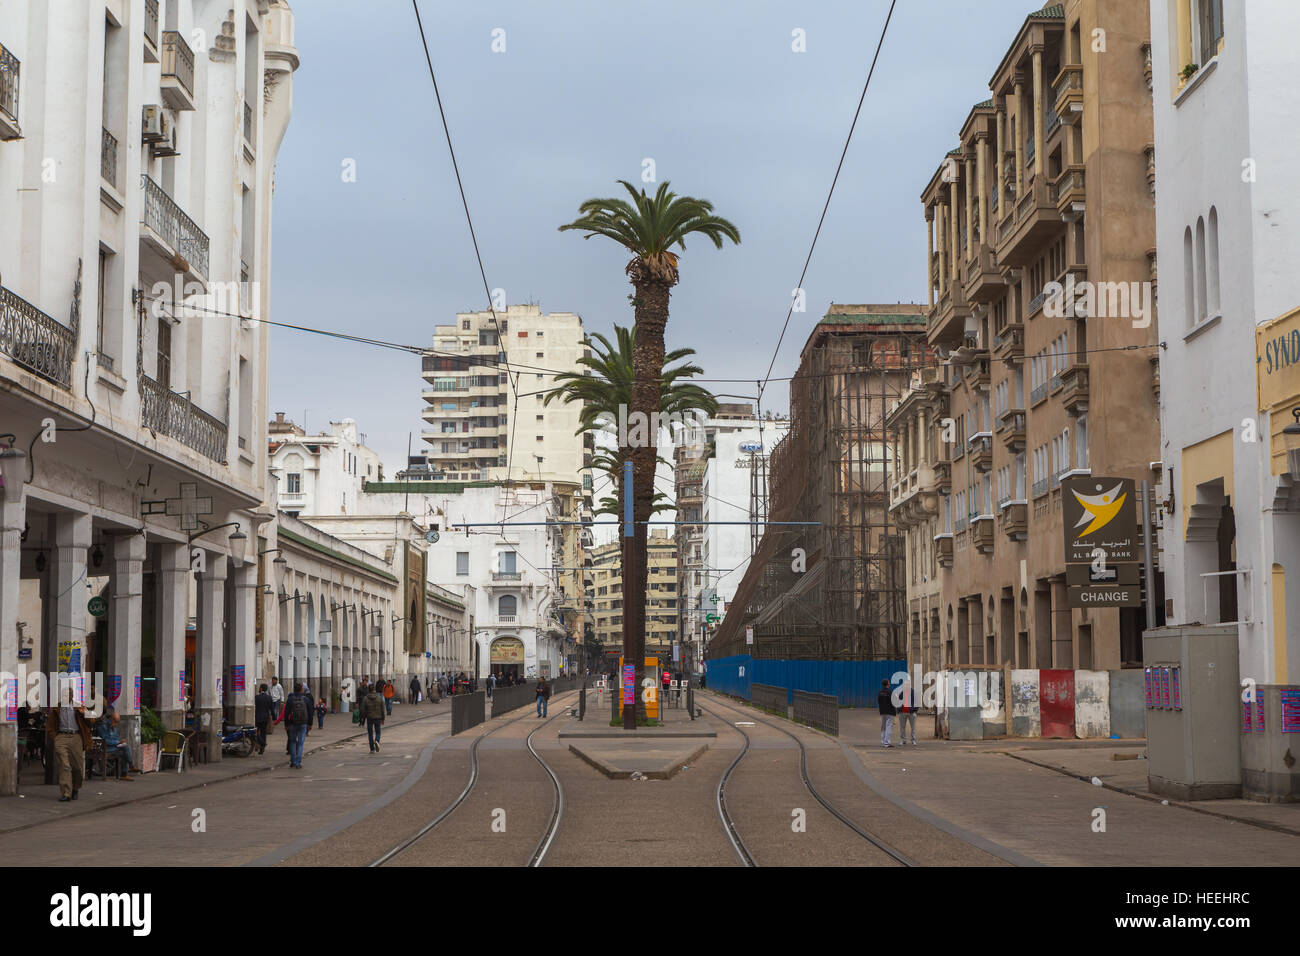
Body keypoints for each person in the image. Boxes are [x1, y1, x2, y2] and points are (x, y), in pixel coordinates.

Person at [46, 687, 93, 801]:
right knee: (64, 765)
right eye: (63, 696)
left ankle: (75, 788)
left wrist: (85, 714)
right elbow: (50, 726)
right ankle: (66, 793)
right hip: (61, 737)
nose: (65, 698)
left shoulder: (79, 706)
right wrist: (55, 737)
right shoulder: (57, 708)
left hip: (76, 737)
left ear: (72, 696)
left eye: (67, 696)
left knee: (78, 767)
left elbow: (91, 722)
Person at [93, 703, 136, 780]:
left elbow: (115, 738)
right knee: (125, 748)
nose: (116, 724)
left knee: (124, 751)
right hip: (104, 748)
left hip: (113, 747)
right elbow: (104, 740)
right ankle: (131, 766)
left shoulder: (113, 727)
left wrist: (119, 741)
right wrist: (117, 743)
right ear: (111, 719)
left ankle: (124, 774)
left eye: (117, 722)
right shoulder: (103, 726)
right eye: (115, 722)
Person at [284, 682, 314, 769]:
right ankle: (298, 762)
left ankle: (292, 761)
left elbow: (286, 713)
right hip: (303, 724)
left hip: (293, 723)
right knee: (300, 743)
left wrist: (286, 724)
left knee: (293, 742)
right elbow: (310, 712)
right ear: (301, 690)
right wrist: (310, 724)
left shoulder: (290, 699)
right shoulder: (306, 699)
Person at [360, 680, 386, 753]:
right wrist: (383, 718)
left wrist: (363, 718)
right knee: (378, 732)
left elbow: (362, 710)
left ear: (369, 690)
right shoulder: (379, 698)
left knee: (370, 733)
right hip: (378, 717)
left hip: (369, 718)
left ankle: (372, 749)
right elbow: (382, 709)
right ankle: (377, 741)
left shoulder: (365, 698)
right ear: (374, 689)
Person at [897, 679, 918, 747]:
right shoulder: (901, 693)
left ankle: (913, 740)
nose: (906, 686)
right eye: (905, 685)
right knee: (902, 727)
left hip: (911, 713)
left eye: (908, 684)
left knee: (913, 728)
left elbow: (917, 702)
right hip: (902, 712)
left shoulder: (913, 692)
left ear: (910, 685)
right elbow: (898, 702)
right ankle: (903, 740)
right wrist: (899, 710)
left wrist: (914, 710)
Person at [254, 683, 273, 754]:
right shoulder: (269, 698)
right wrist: (274, 718)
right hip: (265, 717)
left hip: (258, 717)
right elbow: (272, 709)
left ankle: (262, 743)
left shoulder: (257, 697)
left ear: (261, 688)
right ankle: (262, 747)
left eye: (259, 688)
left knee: (256, 732)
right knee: (263, 732)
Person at [877, 678, 897, 748]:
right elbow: (894, 702)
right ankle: (887, 742)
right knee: (889, 727)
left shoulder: (880, 692)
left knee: (883, 727)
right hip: (890, 712)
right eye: (889, 682)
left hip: (882, 712)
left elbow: (879, 701)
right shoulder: (890, 692)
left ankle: (883, 741)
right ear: (888, 684)